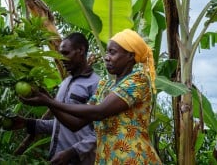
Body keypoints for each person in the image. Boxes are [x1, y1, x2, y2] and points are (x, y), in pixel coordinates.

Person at [21, 29, 163, 164]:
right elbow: (76, 123)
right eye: (107, 52)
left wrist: (49, 102)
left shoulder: (137, 81)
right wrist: (49, 102)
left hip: (132, 158)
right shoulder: (105, 86)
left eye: (112, 52)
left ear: (130, 56)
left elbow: (99, 112)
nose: (106, 57)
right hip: (107, 159)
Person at [12, 32, 100, 165]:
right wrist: (28, 123)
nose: (61, 58)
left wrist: (72, 152)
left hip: (79, 161)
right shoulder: (65, 82)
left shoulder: (96, 85)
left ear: (81, 50)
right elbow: (61, 124)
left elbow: (99, 132)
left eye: (65, 53)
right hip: (57, 158)